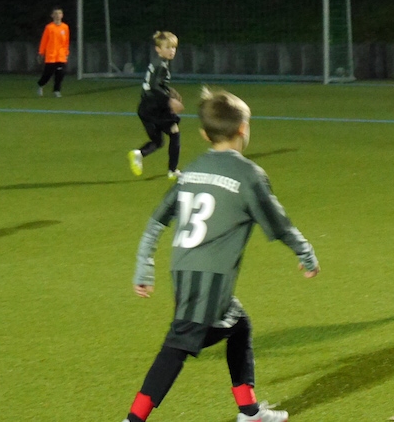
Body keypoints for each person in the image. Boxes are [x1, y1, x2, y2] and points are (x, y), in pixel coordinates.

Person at [121, 86, 320, 422]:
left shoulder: (191, 170)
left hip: (184, 272)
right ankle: (134, 419)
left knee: (238, 325)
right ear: (243, 128)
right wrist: (306, 253)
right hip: (210, 280)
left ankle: (249, 411)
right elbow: (281, 225)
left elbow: (156, 222)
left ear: (203, 134)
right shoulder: (248, 175)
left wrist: (144, 266)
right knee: (178, 346)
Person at [128, 31, 185, 180]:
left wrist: (168, 91)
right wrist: (170, 100)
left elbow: (155, 85)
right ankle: (173, 170)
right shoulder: (162, 66)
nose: (172, 51)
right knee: (175, 133)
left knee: (158, 141)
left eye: (173, 47)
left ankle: (139, 154)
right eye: (168, 47)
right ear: (158, 49)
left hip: (145, 107)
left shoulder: (156, 63)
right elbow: (155, 86)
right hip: (156, 107)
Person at [36, 7, 69, 98]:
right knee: (48, 74)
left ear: (62, 15)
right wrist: (41, 53)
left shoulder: (65, 27)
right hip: (51, 55)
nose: (58, 15)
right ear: (52, 15)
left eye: (59, 13)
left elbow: (66, 41)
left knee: (60, 73)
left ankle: (56, 90)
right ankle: (40, 84)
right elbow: (44, 41)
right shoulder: (49, 27)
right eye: (56, 14)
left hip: (61, 55)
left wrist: (66, 53)